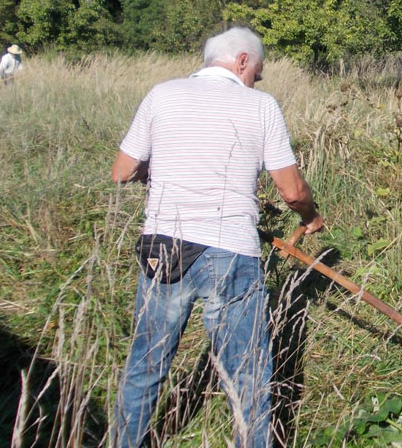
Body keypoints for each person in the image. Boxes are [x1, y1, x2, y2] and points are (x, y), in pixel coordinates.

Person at [110, 27, 324, 448]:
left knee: (145, 366)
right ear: (243, 61)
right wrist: (311, 217)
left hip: (162, 249)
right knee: (247, 373)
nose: (257, 81)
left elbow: (122, 172)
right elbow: (292, 190)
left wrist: (162, 172)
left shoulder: (161, 94)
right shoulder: (260, 106)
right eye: (257, 72)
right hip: (230, 251)